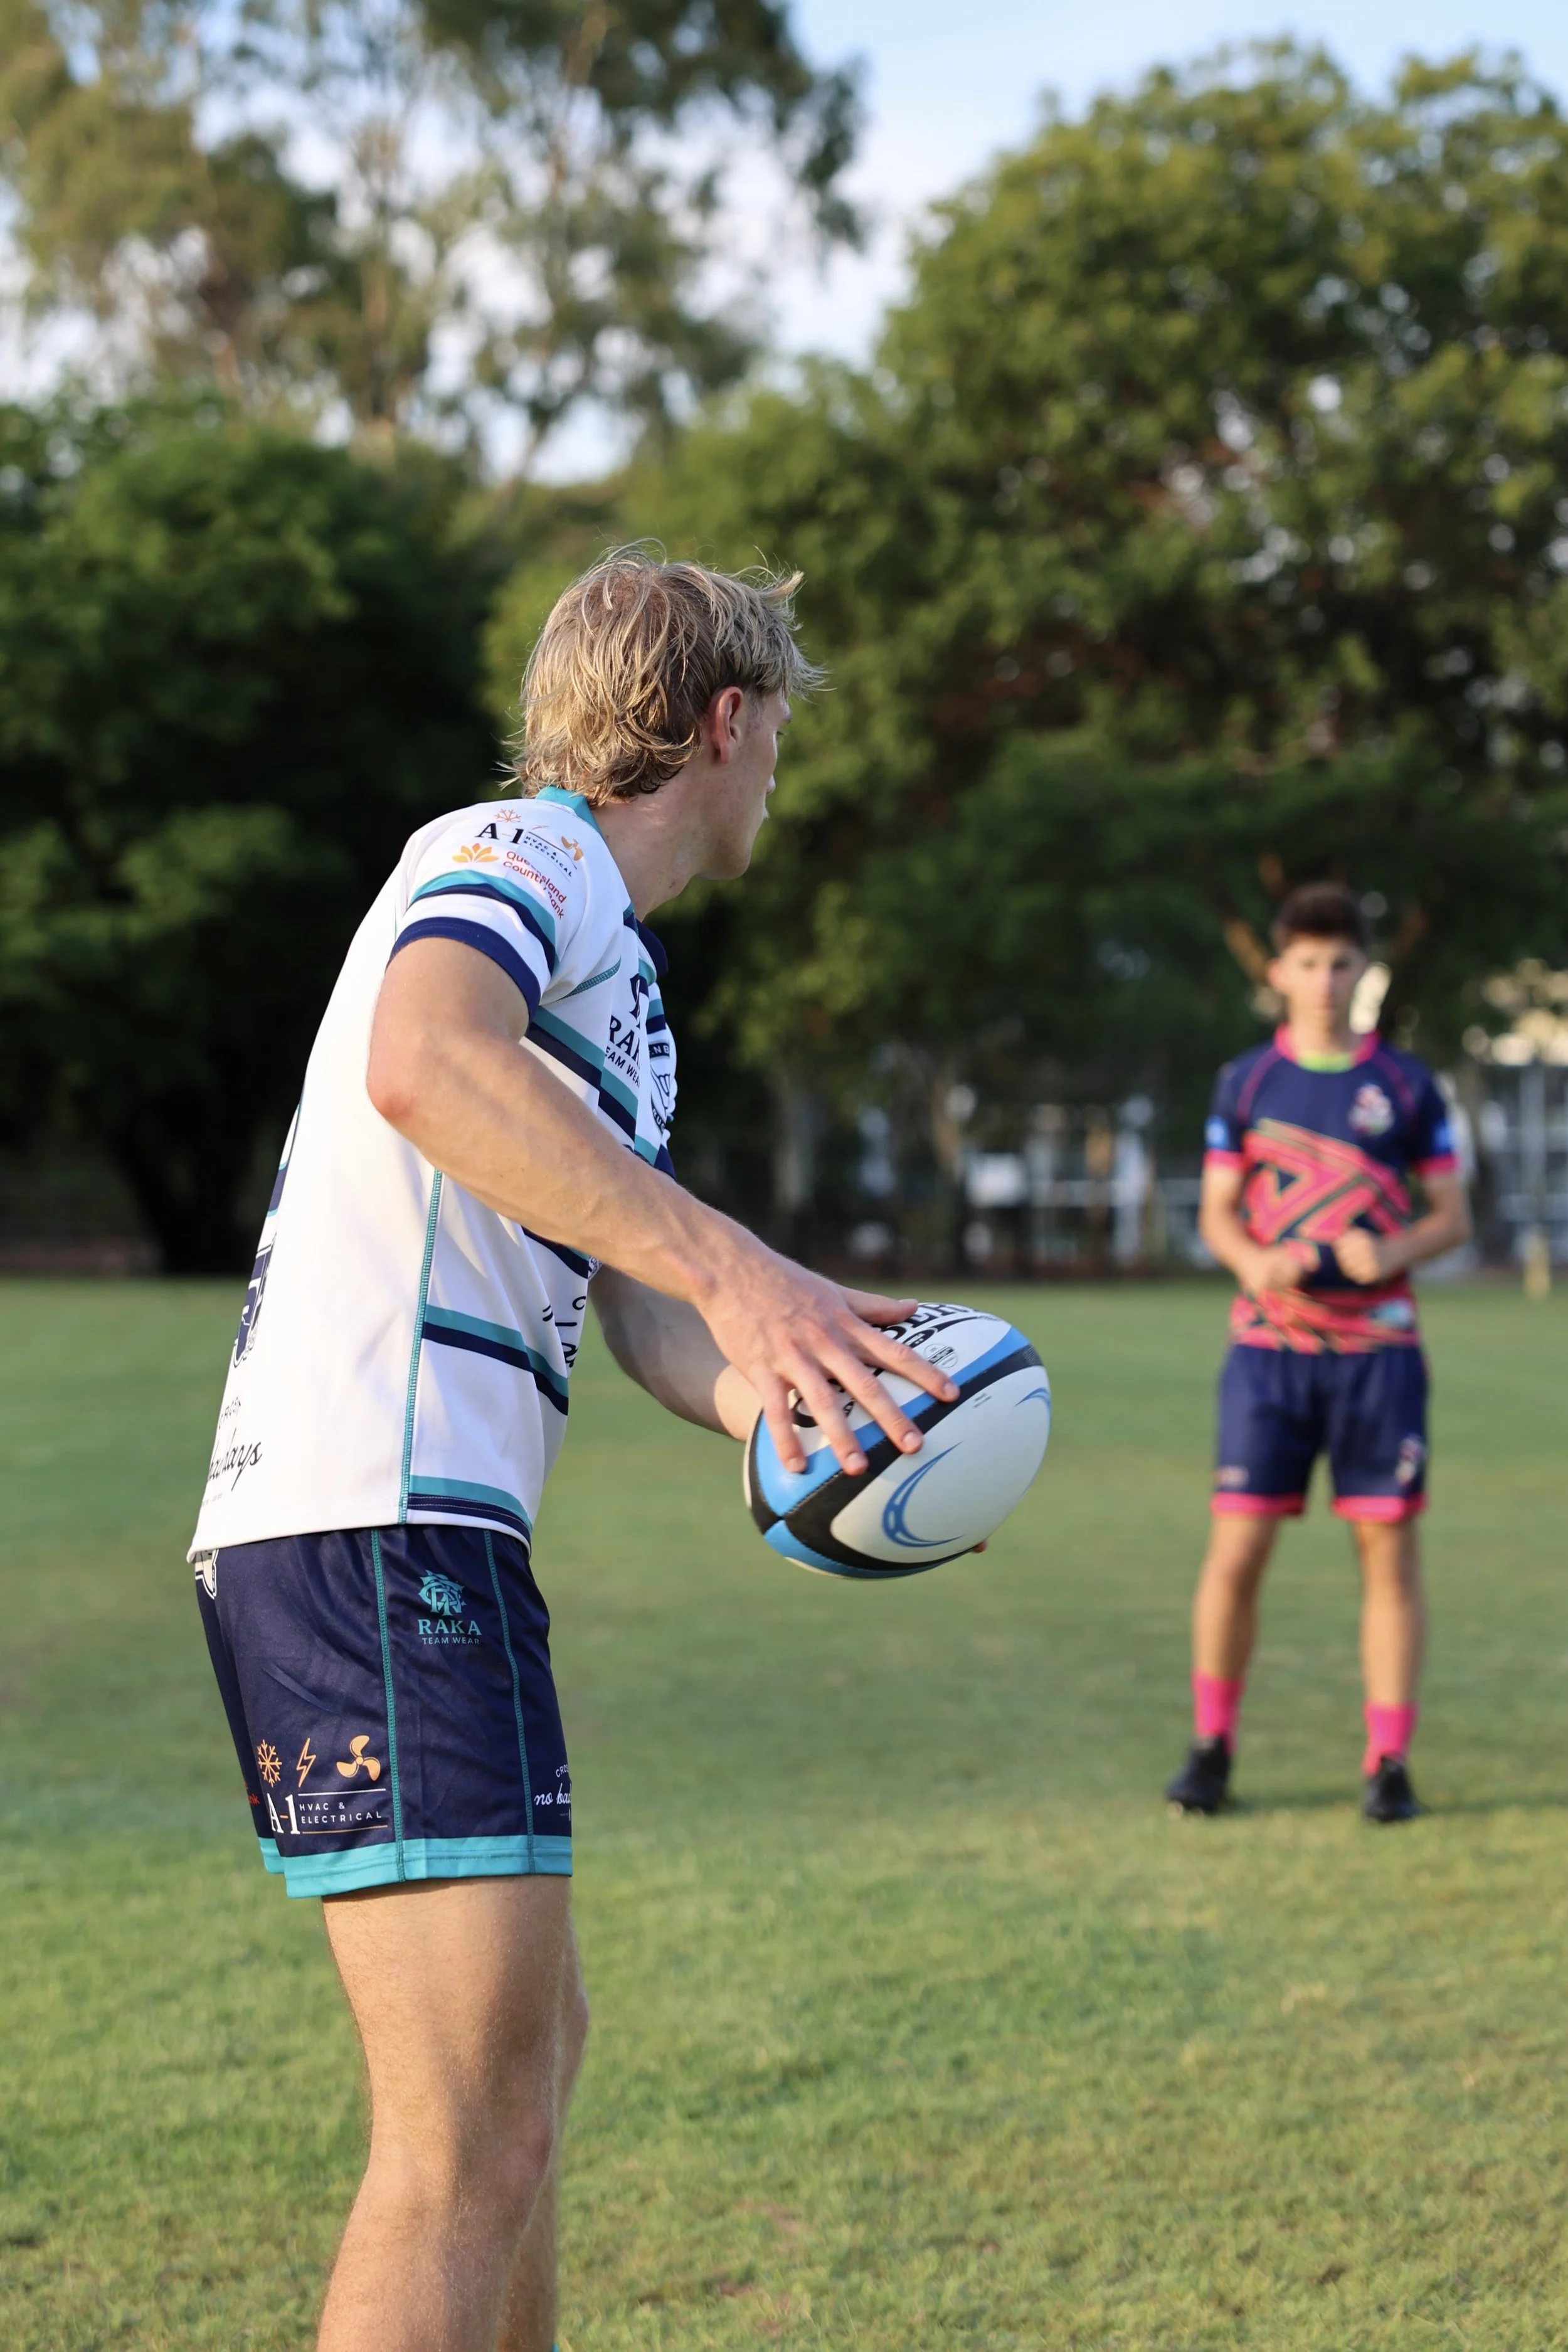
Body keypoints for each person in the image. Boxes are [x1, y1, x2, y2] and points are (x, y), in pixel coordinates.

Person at [187, 550, 960, 2352]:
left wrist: (807, 1387)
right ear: (726, 717)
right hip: (377, 1530)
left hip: (420, 1536)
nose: (776, 772)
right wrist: (738, 1261)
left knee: (524, 2085)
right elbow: (422, 1056)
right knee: (459, 2141)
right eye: (775, 735)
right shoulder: (523, 853)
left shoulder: (615, 979)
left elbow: (632, 1298)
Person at [1164, 882, 1471, 1825]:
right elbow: (1219, 1212)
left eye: (1343, 962)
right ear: (1277, 971)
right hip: (1271, 1354)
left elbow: (1453, 1215)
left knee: (1388, 1554)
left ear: (1363, 969)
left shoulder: (1411, 1086)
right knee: (1238, 1551)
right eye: (1308, 961)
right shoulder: (1246, 1081)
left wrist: (1399, 1248)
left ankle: (1389, 1761)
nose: (1326, 979)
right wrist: (1258, 1261)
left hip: (1379, 1355)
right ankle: (1211, 1748)